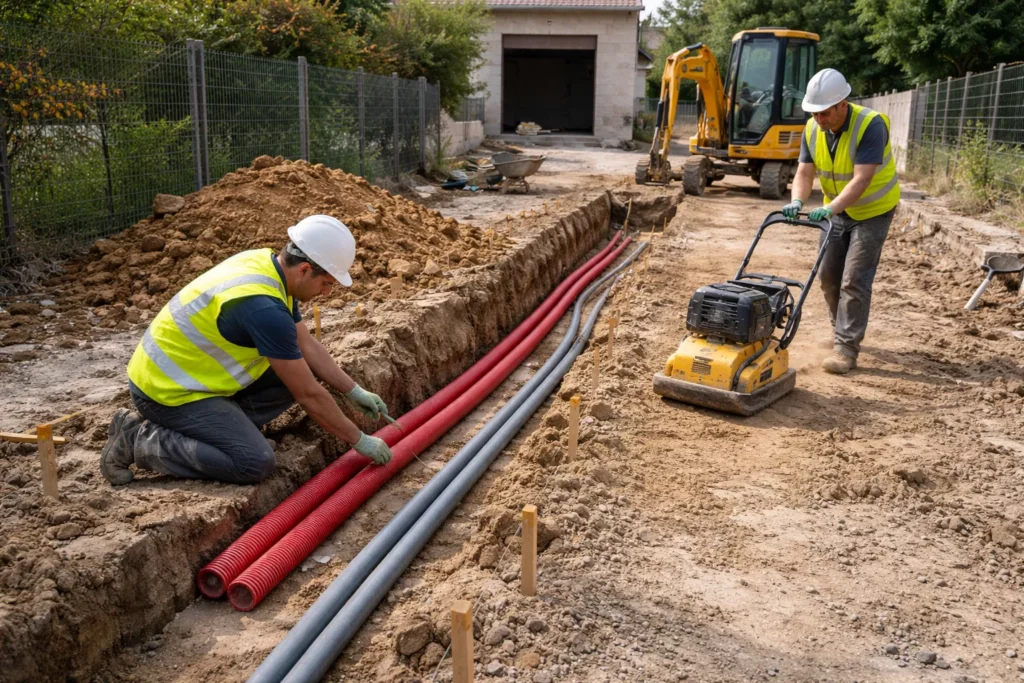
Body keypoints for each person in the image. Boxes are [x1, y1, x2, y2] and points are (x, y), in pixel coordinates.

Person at [99, 215, 394, 486]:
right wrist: (359, 441)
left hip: (193, 375)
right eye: (327, 283)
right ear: (304, 269)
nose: (327, 292)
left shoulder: (269, 268)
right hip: (165, 391)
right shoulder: (263, 308)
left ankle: (228, 431)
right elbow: (309, 394)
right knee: (253, 462)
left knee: (296, 371)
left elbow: (306, 345)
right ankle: (137, 439)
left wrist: (353, 390)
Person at [782, 68, 900, 375]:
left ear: (842, 104)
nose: (819, 120)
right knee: (828, 276)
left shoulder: (870, 126)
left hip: (873, 211)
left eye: (825, 113)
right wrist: (797, 199)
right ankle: (840, 332)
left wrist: (831, 208)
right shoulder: (812, 129)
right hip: (836, 211)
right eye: (815, 114)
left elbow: (862, 179)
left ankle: (847, 348)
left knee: (854, 278)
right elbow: (805, 173)